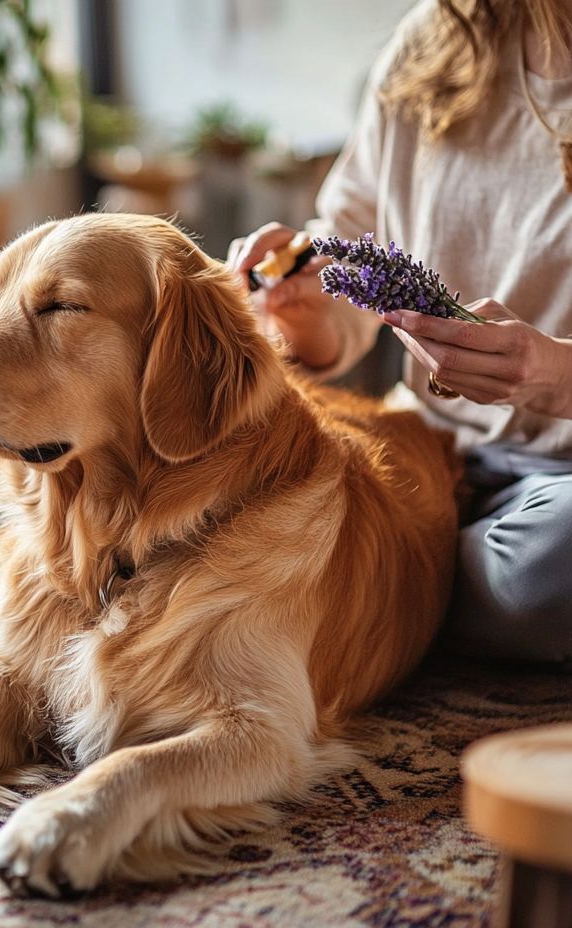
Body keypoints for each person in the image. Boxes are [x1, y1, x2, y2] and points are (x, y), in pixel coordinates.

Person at [228, 0, 572, 666]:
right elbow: (353, 269)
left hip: (558, 490)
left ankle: (374, 582)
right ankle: (380, 578)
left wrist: (555, 376)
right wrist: (306, 310)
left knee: (553, 567)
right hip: (428, 457)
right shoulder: (435, 42)